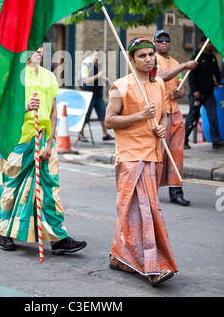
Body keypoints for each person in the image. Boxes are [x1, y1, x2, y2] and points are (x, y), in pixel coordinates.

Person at [0, 45, 87, 255]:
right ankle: (5, 232)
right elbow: (6, 110)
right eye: (33, 47)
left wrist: (49, 142)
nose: (38, 51)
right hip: (20, 139)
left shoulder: (49, 76)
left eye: (40, 47)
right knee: (13, 185)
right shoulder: (14, 76)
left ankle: (58, 239)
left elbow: (54, 112)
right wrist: (27, 107)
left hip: (45, 139)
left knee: (50, 190)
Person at [105, 37, 178, 287]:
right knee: (145, 213)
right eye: (142, 55)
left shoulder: (159, 84)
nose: (148, 59)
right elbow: (109, 121)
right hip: (130, 156)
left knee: (133, 211)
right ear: (131, 59)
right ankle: (152, 267)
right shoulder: (121, 86)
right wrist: (139, 116)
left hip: (154, 154)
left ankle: (119, 256)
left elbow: (164, 116)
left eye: (151, 55)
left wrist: (162, 130)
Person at [153, 30, 198, 206]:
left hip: (176, 113)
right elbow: (160, 77)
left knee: (176, 154)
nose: (164, 42)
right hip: (159, 114)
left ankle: (176, 192)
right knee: (159, 154)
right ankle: (152, 191)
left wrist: (181, 93)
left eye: (167, 40)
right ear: (154, 42)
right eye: (160, 40)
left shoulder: (176, 63)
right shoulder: (152, 60)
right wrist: (184, 66)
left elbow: (181, 86)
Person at [184, 36, 224, 150]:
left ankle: (216, 140)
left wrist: (217, 81)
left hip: (209, 93)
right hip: (196, 94)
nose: (211, 45)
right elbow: (191, 76)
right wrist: (195, 90)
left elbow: (216, 72)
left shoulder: (212, 57)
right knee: (192, 117)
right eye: (209, 43)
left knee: (213, 116)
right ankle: (184, 140)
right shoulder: (196, 57)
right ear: (202, 43)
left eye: (211, 43)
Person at [78, 49, 114, 142]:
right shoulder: (85, 65)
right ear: (91, 56)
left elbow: (100, 76)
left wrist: (105, 79)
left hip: (98, 93)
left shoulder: (99, 64)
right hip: (89, 94)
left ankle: (105, 134)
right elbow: (85, 80)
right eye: (96, 56)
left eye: (99, 56)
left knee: (103, 114)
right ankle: (81, 134)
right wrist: (98, 76)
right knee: (86, 115)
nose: (97, 58)